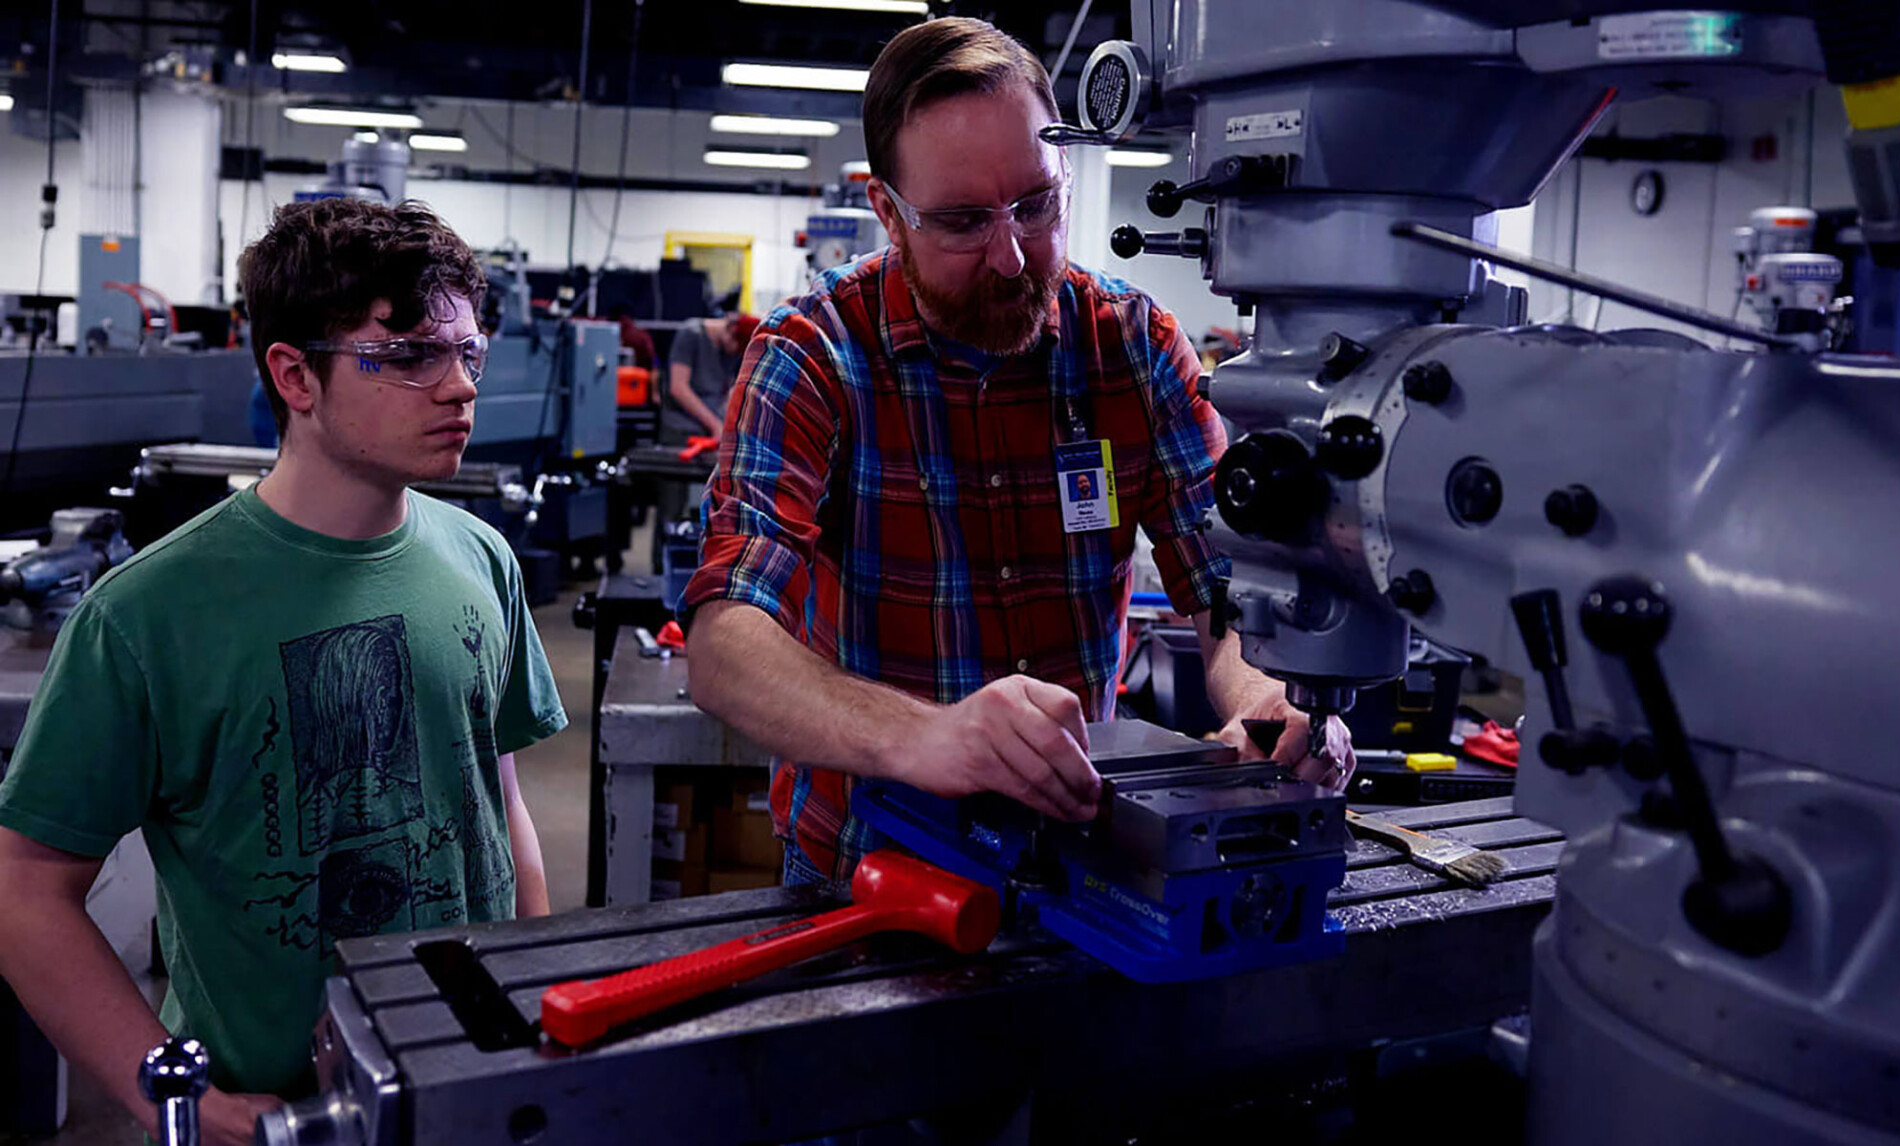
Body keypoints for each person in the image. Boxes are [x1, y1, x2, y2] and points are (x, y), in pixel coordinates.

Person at [683, 17, 1355, 888]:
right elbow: (723, 645)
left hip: (1082, 873)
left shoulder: (1134, 346)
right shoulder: (816, 355)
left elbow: (1223, 588)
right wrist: (927, 735)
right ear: (888, 211)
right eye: (961, 222)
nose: (1010, 257)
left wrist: (1265, 700)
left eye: (1037, 205)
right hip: (872, 878)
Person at [0, 198, 567, 1144]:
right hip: (273, 1113)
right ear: (295, 375)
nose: (460, 387)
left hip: (467, 1081)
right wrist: (173, 1097)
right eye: (411, 356)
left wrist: (532, 998)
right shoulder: (147, 616)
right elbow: (26, 892)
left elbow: (498, 806)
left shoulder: (482, 560)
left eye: (469, 354)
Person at [662, 310, 757, 443]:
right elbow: (678, 388)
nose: (736, 354)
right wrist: (714, 425)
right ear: (731, 331)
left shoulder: (728, 352)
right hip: (683, 427)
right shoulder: (691, 334)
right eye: (738, 348)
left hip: (715, 425)